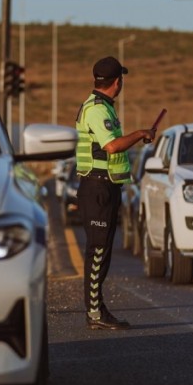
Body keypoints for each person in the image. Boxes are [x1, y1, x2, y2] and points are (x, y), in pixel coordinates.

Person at [75, 56, 157, 330]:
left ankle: (96, 310)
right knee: (98, 251)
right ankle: (95, 313)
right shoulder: (98, 110)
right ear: (118, 82)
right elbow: (111, 146)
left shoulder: (102, 107)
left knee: (102, 251)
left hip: (104, 186)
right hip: (97, 188)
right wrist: (139, 133)